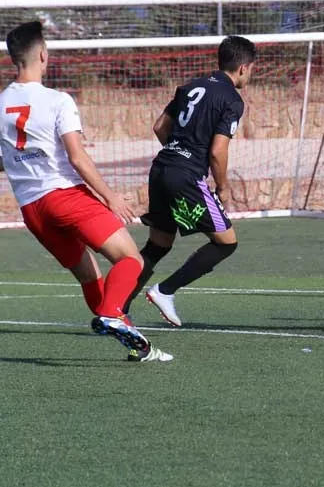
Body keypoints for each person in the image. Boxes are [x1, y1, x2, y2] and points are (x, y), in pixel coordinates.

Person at [0, 21, 172, 362]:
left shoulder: (1, 103)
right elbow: (77, 158)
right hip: (65, 197)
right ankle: (111, 314)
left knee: (90, 277)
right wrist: (110, 196)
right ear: (43, 54)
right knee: (130, 259)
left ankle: (137, 344)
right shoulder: (57, 100)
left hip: (33, 210)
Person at [123, 35, 255, 327]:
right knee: (226, 243)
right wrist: (222, 186)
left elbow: (160, 127)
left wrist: (178, 153)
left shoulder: (191, 86)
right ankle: (165, 290)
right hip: (185, 177)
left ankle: (117, 307)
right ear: (243, 68)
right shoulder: (232, 99)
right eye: (252, 70)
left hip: (161, 169)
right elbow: (218, 151)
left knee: (158, 245)